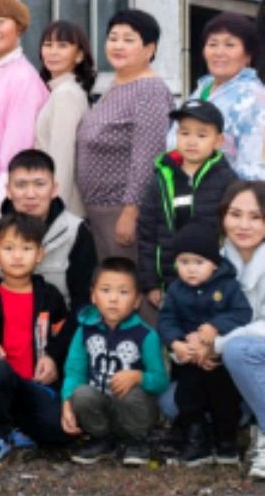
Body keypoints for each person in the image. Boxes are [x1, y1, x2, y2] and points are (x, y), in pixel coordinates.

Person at [0, 212, 72, 463]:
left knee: (60, 433)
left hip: (35, 385)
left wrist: (53, 359)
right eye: (9, 248)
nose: (18, 256)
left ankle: (18, 427)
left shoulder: (50, 296)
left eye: (26, 248)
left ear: (39, 254)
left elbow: (64, 338)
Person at [76, 9, 175, 262]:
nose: (118, 45)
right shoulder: (117, 85)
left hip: (121, 211)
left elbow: (148, 157)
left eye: (128, 40)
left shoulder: (149, 90)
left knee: (127, 281)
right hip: (98, 209)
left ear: (149, 49)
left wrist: (131, 213)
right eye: (113, 38)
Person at [157, 221, 252, 465]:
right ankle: (196, 443)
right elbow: (166, 320)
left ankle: (226, 443)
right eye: (184, 262)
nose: (191, 269)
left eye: (199, 263)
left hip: (220, 363)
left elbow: (242, 313)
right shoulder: (176, 290)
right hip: (189, 360)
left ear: (214, 263)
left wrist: (215, 326)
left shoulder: (228, 286)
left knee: (225, 400)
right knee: (188, 399)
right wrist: (175, 343)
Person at [60, 258, 169, 466]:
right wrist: (66, 405)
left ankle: (137, 441)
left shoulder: (146, 335)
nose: (113, 299)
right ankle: (102, 439)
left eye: (123, 292)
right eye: (105, 290)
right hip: (100, 410)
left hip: (135, 412)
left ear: (137, 301)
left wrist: (139, 377)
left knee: (130, 393)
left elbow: (161, 380)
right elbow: (74, 372)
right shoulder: (84, 331)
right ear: (93, 295)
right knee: (81, 394)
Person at [0, 149, 97, 314]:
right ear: (8, 190)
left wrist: (65, 331)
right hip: (0, 325)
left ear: (54, 189)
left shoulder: (74, 230)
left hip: (59, 324)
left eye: (39, 184)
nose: (30, 195)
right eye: (21, 185)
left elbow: (83, 297)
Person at [137, 99, 237, 308]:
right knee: (172, 325)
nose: (191, 141)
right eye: (184, 133)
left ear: (218, 141)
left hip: (215, 283)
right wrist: (151, 283)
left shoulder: (227, 180)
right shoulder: (161, 180)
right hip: (171, 282)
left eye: (201, 135)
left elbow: (234, 234)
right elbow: (147, 234)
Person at [0, 0, 49, 212]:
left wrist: (0, 201)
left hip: (4, 198)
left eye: (0, 22)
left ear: (19, 26)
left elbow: (19, 146)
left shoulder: (23, 78)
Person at [215, 180, 265, 479]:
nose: (243, 225)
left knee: (237, 350)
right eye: (235, 214)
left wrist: (219, 344)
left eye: (256, 217)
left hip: (251, 349)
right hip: (242, 361)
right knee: (171, 403)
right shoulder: (214, 260)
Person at [177, 13, 265, 180]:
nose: (219, 52)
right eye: (213, 44)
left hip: (224, 193)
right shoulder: (202, 89)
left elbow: (256, 170)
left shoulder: (254, 99)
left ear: (248, 55)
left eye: (229, 45)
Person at [35, 19, 95, 217]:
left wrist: (54, 210)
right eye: (48, 44)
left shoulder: (66, 94)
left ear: (79, 55)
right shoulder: (61, 90)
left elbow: (62, 159)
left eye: (62, 46)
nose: (53, 52)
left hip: (62, 208)